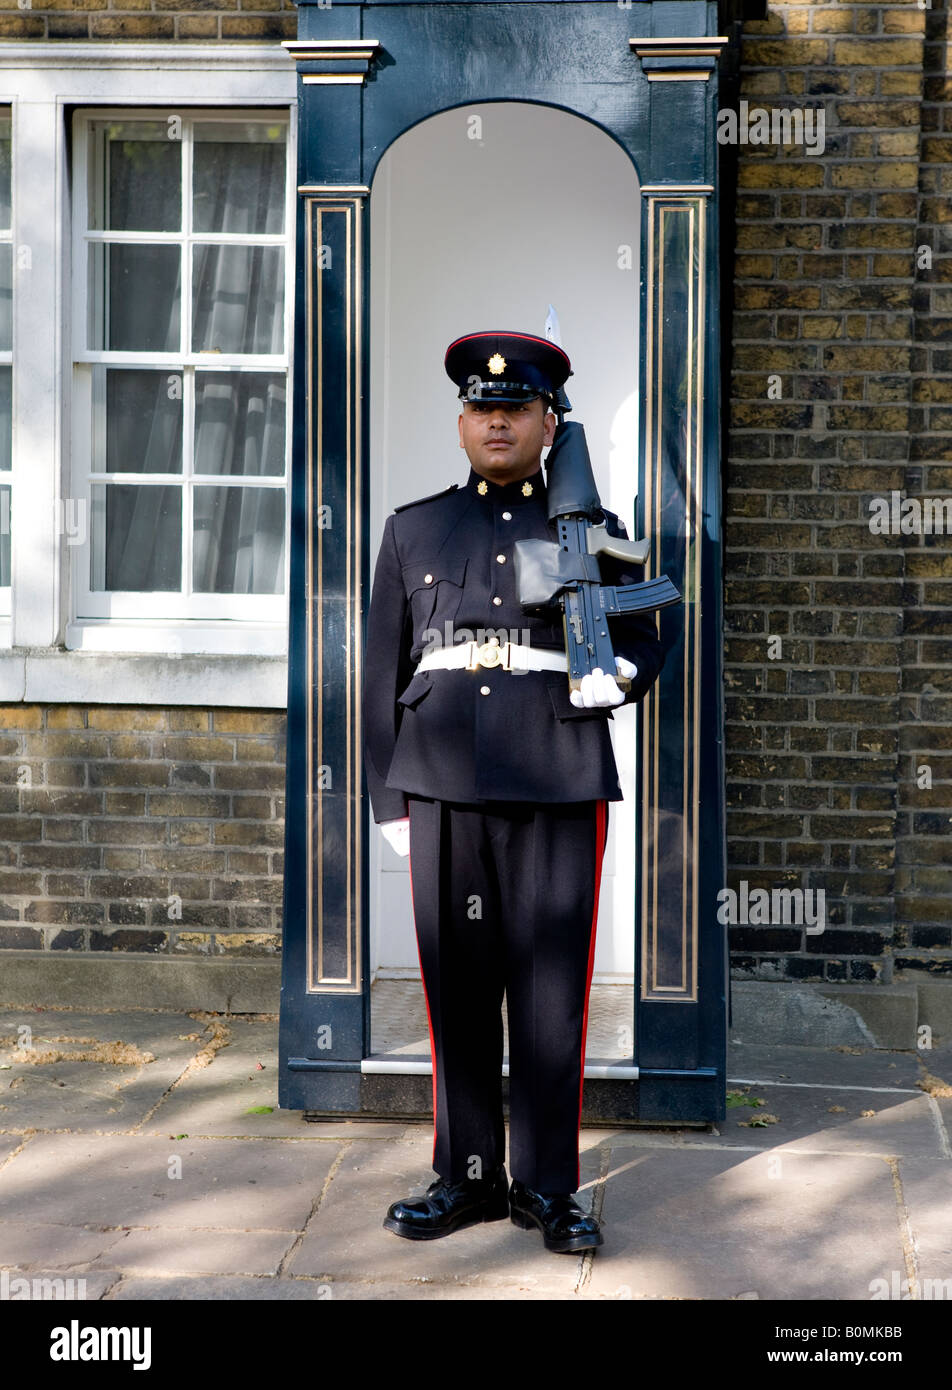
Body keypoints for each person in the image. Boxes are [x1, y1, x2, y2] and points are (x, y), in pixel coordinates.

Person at [362, 330, 666, 1253]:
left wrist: (621, 671)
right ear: (461, 423)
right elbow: (381, 670)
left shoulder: (589, 526)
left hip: (557, 772)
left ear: (548, 421)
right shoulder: (413, 528)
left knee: (550, 994)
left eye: (518, 409)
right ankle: (464, 1177)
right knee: (457, 989)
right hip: (442, 783)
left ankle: (546, 1187)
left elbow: (652, 622)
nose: (498, 421)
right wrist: (387, 804)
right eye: (482, 409)